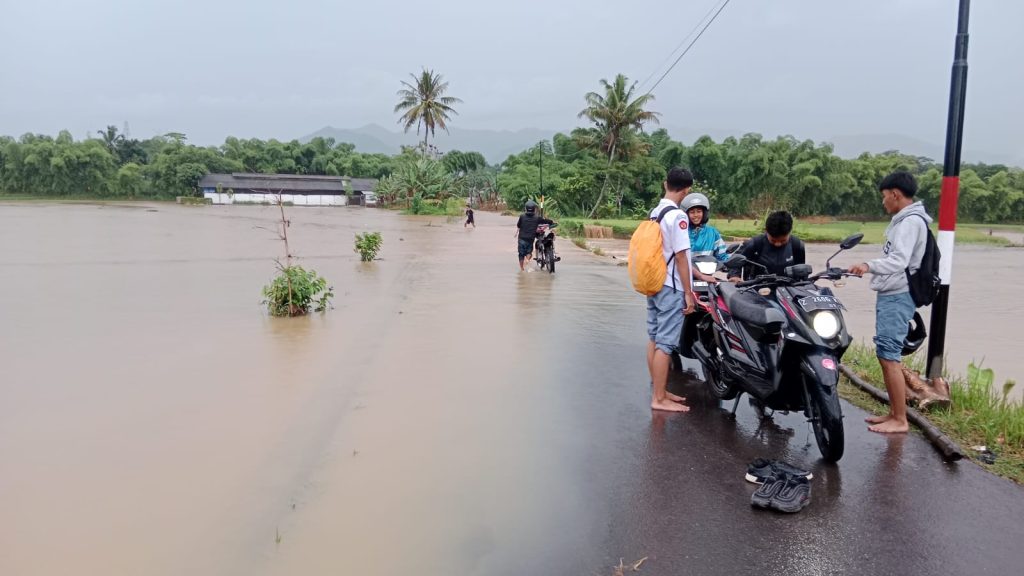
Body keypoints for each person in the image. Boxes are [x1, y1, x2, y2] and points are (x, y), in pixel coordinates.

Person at [849, 171, 932, 434]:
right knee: (886, 353)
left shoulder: (910, 223)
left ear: (895, 194)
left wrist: (867, 265)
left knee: (889, 356)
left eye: (885, 197)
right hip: (893, 293)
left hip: (898, 295)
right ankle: (894, 413)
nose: (884, 202)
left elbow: (899, 261)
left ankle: (900, 420)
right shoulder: (905, 221)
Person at [646, 168, 696, 413]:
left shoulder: (655, 211)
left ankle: (660, 390)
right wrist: (688, 292)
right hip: (670, 286)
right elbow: (681, 256)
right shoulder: (678, 217)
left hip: (653, 282)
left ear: (666, 183)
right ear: (687, 190)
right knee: (665, 343)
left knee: (654, 337)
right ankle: (658, 398)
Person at [728, 210, 805, 281]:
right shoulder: (755, 243)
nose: (777, 244)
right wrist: (734, 276)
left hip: (787, 290)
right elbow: (735, 260)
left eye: (783, 241)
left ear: (790, 232)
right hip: (755, 290)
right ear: (766, 231)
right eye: (773, 240)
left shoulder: (797, 245)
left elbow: (801, 272)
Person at [682, 192, 728, 283]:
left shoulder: (713, 233)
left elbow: (722, 255)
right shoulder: (681, 232)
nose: (695, 215)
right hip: (685, 279)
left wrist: (733, 269)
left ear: (704, 213)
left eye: (699, 211)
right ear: (686, 214)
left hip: (708, 279)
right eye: (692, 212)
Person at [514, 200, 554, 271]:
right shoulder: (537, 218)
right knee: (529, 252)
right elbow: (545, 221)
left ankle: (522, 269)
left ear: (526, 208)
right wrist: (551, 222)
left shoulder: (522, 216)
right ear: (534, 209)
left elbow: (518, 225)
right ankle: (527, 260)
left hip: (521, 238)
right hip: (530, 239)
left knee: (521, 254)